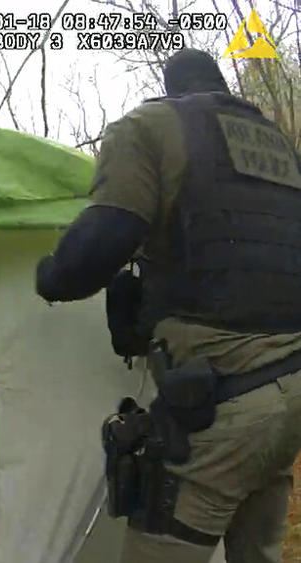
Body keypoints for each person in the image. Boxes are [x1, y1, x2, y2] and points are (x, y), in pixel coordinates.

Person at [35, 49, 301, 563]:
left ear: (170, 86)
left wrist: (50, 276)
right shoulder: (279, 148)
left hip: (224, 398)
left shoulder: (152, 125)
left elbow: (104, 240)